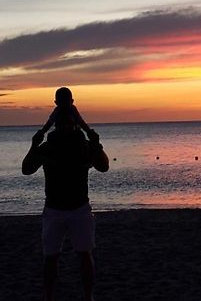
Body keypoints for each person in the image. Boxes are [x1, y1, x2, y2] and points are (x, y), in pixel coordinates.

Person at [22, 90, 109, 301]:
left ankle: (87, 297)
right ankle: (51, 297)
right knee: (52, 257)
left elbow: (104, 166)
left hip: (78, 208)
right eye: (62, 124)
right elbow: (27, 169)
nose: (65, 127)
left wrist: (95, 142)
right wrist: (35, 145)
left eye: (68, 124)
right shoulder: (52, 146)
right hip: (55, 209)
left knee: (82, 255)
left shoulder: (81, 145)